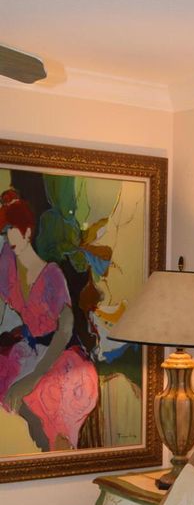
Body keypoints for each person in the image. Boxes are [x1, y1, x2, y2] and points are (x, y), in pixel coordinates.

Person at [0, 188, 98, 451]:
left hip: (61, 354)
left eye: (13, 230)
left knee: (45, 395)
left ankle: (52, 451)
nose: (9, 237)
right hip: (29, 349)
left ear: (27, 232)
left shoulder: (52, 274)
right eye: (5, 231)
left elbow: (65, 331)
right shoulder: (8, 268)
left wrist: (34, 376)